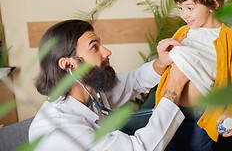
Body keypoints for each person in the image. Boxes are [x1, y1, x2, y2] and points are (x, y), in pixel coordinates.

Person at [28, 19, 189, 151]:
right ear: (68, 65)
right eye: (94, 47)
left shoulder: (89, 91)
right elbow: (139, 149)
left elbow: (134, 81)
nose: (107, 52)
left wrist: (161, 63)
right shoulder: (61, 130)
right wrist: (174, 87)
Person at [154, 0, 232, 150]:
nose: (183, 15)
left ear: (213, 4)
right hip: (172, 110)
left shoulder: (229, 38)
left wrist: (231, 111)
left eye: (190, 8)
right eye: (180, 8)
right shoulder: (181, 33)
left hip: (204, 116)